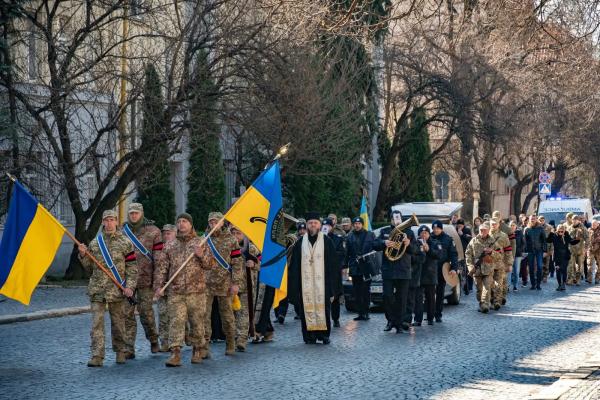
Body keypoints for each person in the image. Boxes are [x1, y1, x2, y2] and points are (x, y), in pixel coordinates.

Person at [78, 210, 138, 367]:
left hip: (117, 290)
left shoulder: (126, 243)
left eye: (112, 220)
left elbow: (132, 268)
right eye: (106, 220)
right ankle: (97, 355)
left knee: (118, 323)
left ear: (116, 222)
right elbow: (89, 269)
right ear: (103, 222)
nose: (109, 223)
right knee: (96, 324)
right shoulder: (95, 243)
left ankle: (120, 351)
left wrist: (130, 287)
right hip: (97, 289)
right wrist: (83, 256)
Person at [154, 213, 212, 367]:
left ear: (191, 224)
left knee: (197, 322)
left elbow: (209, 265)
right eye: (179, 222)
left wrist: (200, 255)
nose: (181, 224)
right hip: (176, 291)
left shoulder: (201, 242)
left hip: (196, 291)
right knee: (176, 321)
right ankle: (175, 353)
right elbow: (162, 268)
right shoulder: (170, 245)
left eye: (185, 221)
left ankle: (197, 350)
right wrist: (159, 287)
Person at [287, 212, 342, 344]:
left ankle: (324, 335)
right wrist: (295, 288)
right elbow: (294, 267)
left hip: (323, 284)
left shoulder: (327, 242)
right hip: (305, 285)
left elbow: (334, 266)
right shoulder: (300, 243)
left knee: (324, 309)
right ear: (306, 225)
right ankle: (309, 336)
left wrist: (334, 287)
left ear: (319, 224)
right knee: (306, 310)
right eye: (310, 223)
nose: (313, 225)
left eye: (315, 223)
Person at [121, 203, 164, 357]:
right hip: (127, 282)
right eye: (131, 213)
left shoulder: (154, 231)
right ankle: (128, 348)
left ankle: (153, 340)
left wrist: (158, 281)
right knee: (127, 314)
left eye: (136, 213)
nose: (133, 216)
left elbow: (159, 259)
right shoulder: (121, 232)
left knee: (146, 313)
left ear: (142, 213)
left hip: (146, 279)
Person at [202, 212, 244, 357]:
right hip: (206, 284)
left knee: (227, 316)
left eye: (216, 222)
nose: (213, 225)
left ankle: (230, 342)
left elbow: (237, 263)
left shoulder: (231, 240)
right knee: (204, 316)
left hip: (225, 284)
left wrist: (236, 283)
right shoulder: (203, 240)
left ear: (222, 223)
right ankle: (204, 346)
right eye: (211, 222)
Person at [372, 210, 417, 332]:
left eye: (398, 218)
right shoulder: (385, 231)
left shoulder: (409, 232)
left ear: (401, 220)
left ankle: (399, 323)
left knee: (402, 298)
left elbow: (415, 250)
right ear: (390, 220)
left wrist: (409, 244)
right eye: (393, 219)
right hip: (388, 269)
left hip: (403, 270)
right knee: (387, 296)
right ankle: (390, 320)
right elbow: (374, 244)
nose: (395, 221)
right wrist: (384, 242)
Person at [230, 226, 261, 352]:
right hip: (231, 286)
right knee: (231, 314)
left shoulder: (251, 248)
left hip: (247, 285)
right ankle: (232, 337)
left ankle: (241, 338)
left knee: (244, 312)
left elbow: (261, 264)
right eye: (233, 233)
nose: (236, 236)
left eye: (239, 233)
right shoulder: (228, 248)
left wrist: (254, 264)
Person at [345, 216, 376, 321]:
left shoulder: (370, 235)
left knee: (365, 291)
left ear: (362, 224)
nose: (357, 225)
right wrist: (344, 266)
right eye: (355, 224)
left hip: (366, 267)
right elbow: (347, 253)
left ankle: (366, 312)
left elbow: (375, 249)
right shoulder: (349, 237)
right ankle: (360, 313)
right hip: (354, 267)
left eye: (359, 223)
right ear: (353, 225)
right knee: (357, 291)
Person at [465, 222, 497, 313]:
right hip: (477, 270)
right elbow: (468, 254)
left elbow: (499, 255)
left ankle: (485, 305)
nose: (483, 232)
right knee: (479, 289)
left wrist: (491, 252)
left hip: (488, 268)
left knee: (487, 287)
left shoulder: (493, 241)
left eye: (485, 230)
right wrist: (470, 266)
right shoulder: (473, 241)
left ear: (488, 231)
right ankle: (481, 303)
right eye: (481, 230)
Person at [431, 220, 458, 323]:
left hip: (442, 270)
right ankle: (430, 313)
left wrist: (454, 268)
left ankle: (438, 314)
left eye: (438, 228)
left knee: (440, 292)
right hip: (430, 270)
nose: (436, 230)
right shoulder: (429, 238)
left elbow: (453, 254)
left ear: (441, 229)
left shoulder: (447, 239)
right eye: (434, 228)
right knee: (429, 293)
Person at [414, 226, 441, 325]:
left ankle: (430, 318)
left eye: (426, 233)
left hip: (430, 274)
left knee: (430, 298)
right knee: (418, 298)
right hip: (419, 274)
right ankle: (418, 319)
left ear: (429, 234)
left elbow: (439, 255)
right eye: (422, 233)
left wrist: (429, 250)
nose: (424, 235)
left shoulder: (435, 243)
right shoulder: (416, 243)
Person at [322, 218, 346, 328]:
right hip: (321, 272)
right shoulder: (318, 239)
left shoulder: (338, 239)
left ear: (332, 227)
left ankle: (336, 318)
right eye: (324, 226)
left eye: (329, 226)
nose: (327, 228)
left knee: (335, 296)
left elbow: (341, 254)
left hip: (334, 272)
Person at [158, 224, 177, 352]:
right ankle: (164, 342)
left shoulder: (180, 248)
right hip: (162, 286)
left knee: (175, 315)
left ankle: (175, 341)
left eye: (169, 233)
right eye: (164, 233)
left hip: (175, 287)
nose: (166, 235)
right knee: (162, 314)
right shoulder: (159, 248)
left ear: (175, 233)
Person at [489, 218, 513, 309]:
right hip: (488, 263)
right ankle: (491, 299)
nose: (493, 225)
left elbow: (508, 251)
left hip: (500, 263)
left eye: (495, 224)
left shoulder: (503, 236)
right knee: (489, 283)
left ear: (499, 224)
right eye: (492, 224)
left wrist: (509, 264)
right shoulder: (485, 234)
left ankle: (497, 301)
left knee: (499, 283)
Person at [547, 225, 577, 291]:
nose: (560, 232)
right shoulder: (554, 236)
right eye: (559, 231)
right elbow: (548, 240)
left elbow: (572, 242)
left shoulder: (566, 235)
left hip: (565, 256)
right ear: (557, 230)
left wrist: (578, 239)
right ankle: (559, 285)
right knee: (558, 271)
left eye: (562, 231)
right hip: (557, 256)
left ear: (564, 231)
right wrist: (551, 233)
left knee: (563, 270)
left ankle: (563, 284)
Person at [524, 215, 546, 290]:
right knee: (531, 267)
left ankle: (538, 284)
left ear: (536, 220)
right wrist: (525, 250)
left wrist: (545, 250)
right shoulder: (527, 229)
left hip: (539, 250)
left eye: (534, 219)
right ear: (529, 220)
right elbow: (525, 241)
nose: (532, 220)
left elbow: (544, 240)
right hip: (530, 251)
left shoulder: (540, 228)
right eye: (531, 219)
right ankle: (533, 284)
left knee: (539, 267)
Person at [567, 215, 588, 285]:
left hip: (580, 250)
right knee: (571, 265)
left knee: (580, 266)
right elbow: (567, 238)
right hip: (571, 250)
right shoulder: (569, 228)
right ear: (571, 220)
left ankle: (578, 279)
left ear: (579, 220)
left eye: (576, 219)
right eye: (573, 219)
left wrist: (586, 248)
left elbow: (587, 238)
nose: (574, 220)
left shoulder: (583, 228)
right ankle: (571, 279)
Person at [455, 219, 473, 294]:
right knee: (461, 270)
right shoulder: (454, 230)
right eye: (458, 225)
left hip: (466, 252)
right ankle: (462, 286)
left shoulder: (467, 230)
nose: (459, 227)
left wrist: (462, 234)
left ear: (463, 225)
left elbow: (470, 239)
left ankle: (468, 287)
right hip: (457, 252)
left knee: (467, 270)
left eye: (461, 226)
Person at [508, 221, 524, 292]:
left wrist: (520, 249)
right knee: (508, 270)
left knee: (516, 271)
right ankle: (507, 286)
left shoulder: (519, 233)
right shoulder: (507, 233)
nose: (512, 226)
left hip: (517, 254)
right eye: (511, 225)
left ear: (516, 226)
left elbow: (523, 243)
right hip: (509, 254)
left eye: (513, 225)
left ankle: (515, 286)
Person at [538, 216, 553, 283]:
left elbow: (552, 238)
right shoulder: (537, 227)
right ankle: (540, 275)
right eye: (540, 220)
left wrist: (551, 250)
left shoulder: (549, 227)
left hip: (547, 246)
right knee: (539, 263)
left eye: (542, 220)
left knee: (546, 262)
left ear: (544, 220)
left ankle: (545, 276)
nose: (541, 221)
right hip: (539, 247)